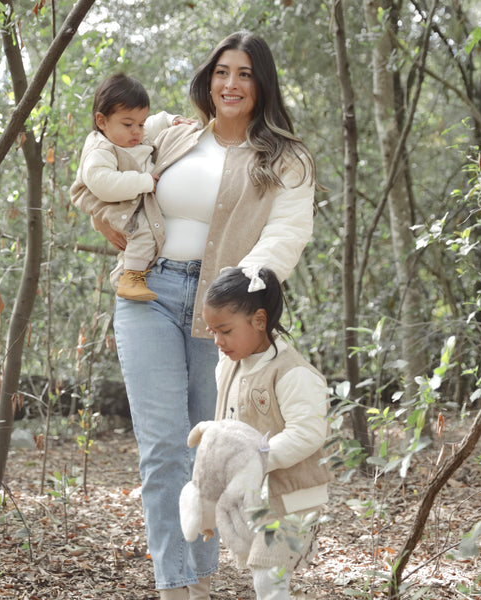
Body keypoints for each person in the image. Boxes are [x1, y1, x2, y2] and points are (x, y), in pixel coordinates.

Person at [98, 31, 317, 599]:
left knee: (215, 451)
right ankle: (177, 588)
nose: (231, 84)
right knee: (164, 448)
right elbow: (106, 156)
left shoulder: (285, 158)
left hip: (224, 310)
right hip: (148, 293)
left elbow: (287, 234)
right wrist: (106, 219)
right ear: (208, 79)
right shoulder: (172, 133)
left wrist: (238, 291)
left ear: (261, 83)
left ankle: (204, 580)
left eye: (245, 74)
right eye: (223, 72)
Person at [202, 265, 332, 600]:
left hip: (292, 498)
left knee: (268, 578)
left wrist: (254, 458)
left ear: (259, 320)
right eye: (212, 331)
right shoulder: (228, 366)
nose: (217, 340)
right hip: (251, 497)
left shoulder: (293, 374)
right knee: (260, 572)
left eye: (225, 330)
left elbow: (307, 432)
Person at [71, 72, 182, 301]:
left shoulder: (129, 135)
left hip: (126, 197)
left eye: (140, 123)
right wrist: (144, 181)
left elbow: (154, 123)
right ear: (102, 121)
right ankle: (130, 276)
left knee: (142, 229)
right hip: (108, 201)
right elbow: (103, 184)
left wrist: (172, 121)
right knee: (143, 229)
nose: (137, 131)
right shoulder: (101, 150)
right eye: (129, 123)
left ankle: (129, 270)